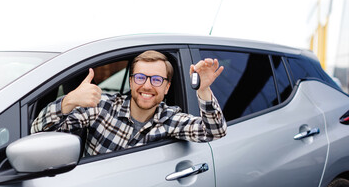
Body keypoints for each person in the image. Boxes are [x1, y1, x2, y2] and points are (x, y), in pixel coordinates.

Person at [31, 50, 227, 156]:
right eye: (141, 77)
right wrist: (69, 100)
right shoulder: (102, 107)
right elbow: (39, 132)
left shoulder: (170, 118)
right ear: (131, 81)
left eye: (157, 80)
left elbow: (215, 132)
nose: (147, 86)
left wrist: (203, 89)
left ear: (167, 88)